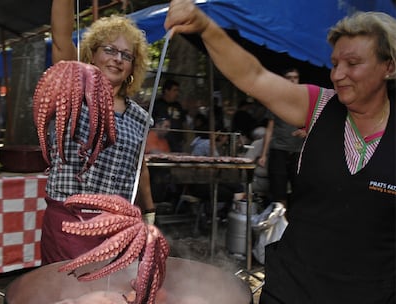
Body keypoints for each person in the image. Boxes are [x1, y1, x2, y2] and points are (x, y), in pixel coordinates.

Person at [165, 2, 396, 303]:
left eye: (352, 63)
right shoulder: (319, 106)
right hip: (292, 289)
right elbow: (255, 76)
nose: (338, 75)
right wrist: (207, 28)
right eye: (335, 63)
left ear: (389, 66)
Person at [40, 0, 156, 265]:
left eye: (126, 55)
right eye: (110, 50)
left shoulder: (140, 117)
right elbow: (60, 39)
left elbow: (141, 166)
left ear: (132, 68)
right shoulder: (72, 91)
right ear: (92, 54)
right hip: (70, 226)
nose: (117, 58)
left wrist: (149, 214)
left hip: (120, 229)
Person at [258, 68, 307, 208]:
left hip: (298, 150)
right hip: (278, 149)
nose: (292, 80)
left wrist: (307, 130)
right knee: (278, 191)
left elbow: (314, 122)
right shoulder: (276, 99)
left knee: (299, 189)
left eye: (295, 77)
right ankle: (280, 225)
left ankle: (293, 224)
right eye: (289, 77)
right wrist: (263, 154)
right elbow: (270, 128)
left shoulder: (305, 99)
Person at [153, 79, 187, 152]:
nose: (177, 93)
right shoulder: (157, 104)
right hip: (161, 142)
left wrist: (184, 138)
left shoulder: (178, 106)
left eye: (178, 90)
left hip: (177, 143)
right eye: (175, 90)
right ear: (166, 91)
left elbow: (183, 122)